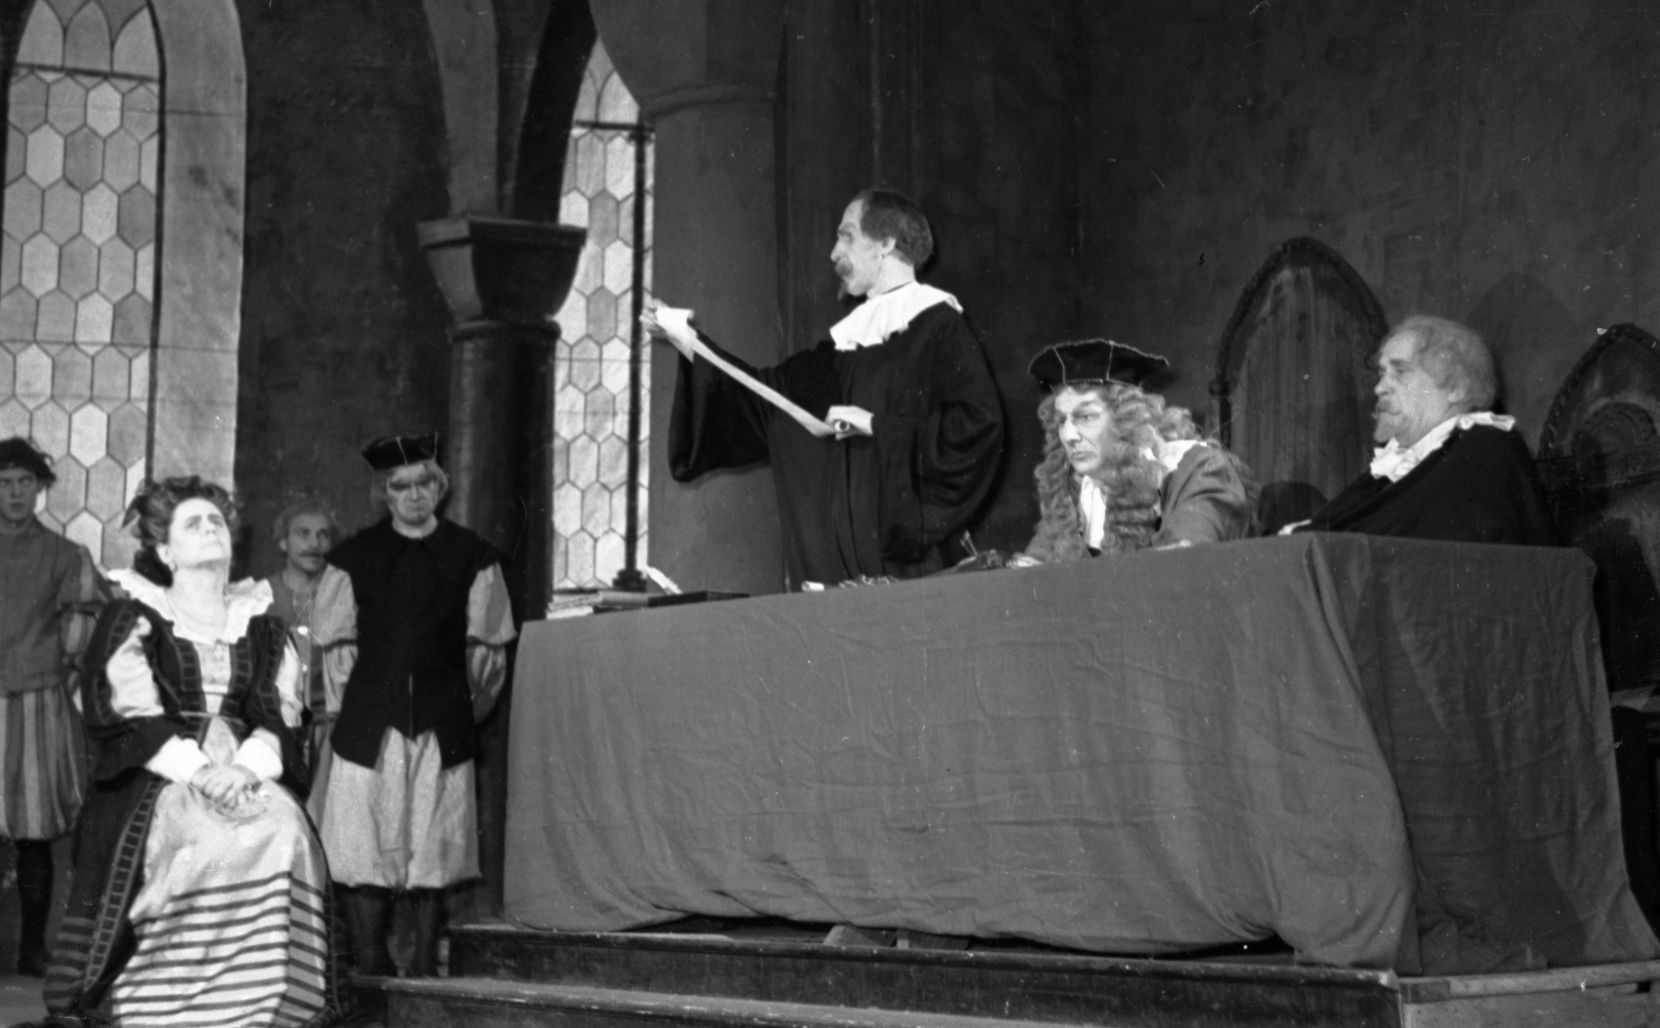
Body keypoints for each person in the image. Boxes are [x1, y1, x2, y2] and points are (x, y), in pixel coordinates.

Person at [41, 476, 344, 1028]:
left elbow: (278, 714)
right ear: (165, 551)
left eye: (216, 522)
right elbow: (129, 712)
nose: (210, 529)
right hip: (160, 770)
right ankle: (170, 1001)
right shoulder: (134, 616)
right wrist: (201, 773)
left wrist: (245, 769)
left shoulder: (264, 629)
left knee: (284, 827)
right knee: (201, 834)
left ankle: (267, 999)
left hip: (247, 768)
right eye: (193, 523)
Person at [647, 187, 1005, 587]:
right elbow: (765, 399)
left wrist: (876, 424)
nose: (834, 253)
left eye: (847, 236)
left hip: (913, 573)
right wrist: (686, 340)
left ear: (886, 244)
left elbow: (976, 428)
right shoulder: (843, 344)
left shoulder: (940, 325)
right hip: (837, 577)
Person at [321, 433, 516, 977]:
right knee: (362, 846)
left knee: (436, 847)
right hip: (368, 725)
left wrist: (454, 709)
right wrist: (361, 707)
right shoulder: (353, 558)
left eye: (424, 483)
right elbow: (338, 652)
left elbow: (486, 656)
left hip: (441, 723)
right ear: (384, 493)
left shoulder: (472, 556)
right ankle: (370, 967)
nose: (413, 495)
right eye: (400, 486)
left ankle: (425, 966)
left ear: (440, 487)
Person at [1288, 315, 1557, 544]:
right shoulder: (1395, 462)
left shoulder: (1486, 449)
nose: (1379, 388)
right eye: (1382, 373)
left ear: (1456, 388)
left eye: (1400, 372)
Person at [0, 438, 104, 977]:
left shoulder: (65, 555)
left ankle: (31, 949)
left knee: (34, 834)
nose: (15, 493)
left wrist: (55, 672)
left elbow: (83, 634)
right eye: (4, 483)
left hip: (37, 703)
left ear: (40, 488)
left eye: (25, 483)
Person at [1021, 339, 1256, 562]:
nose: (1069, 435)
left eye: (1087, 417)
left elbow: (1183, 566)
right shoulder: (1079, 489)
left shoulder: (1199, 471)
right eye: (1062, 420)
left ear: (1127, 421)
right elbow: (1030, 569)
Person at [265, 494, 356, 823]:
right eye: (303, 533)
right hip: (276, 727)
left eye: (323, 535)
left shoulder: (347, 595)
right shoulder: (260, 595)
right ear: (283, 541)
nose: (314, 544)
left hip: (330, 726)